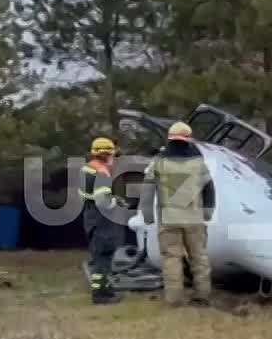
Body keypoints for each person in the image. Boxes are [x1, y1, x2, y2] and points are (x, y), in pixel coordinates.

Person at [142, 121, 215, 307]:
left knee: (171, 258)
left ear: (169, 139)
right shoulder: (199, 162)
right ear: (189, 139)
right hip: (194, 218)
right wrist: (208, 213)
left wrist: (147, 214)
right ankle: (202, 296)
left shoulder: (159, 161)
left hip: (168, 219)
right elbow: (209, 188)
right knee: (199, 257)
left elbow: (148, 189)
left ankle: (174, 299)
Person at [79, 136, 127, 304]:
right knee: (103, 258)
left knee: (99, 256)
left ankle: (104, 290)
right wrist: (116, 202)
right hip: (101, 220)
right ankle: (101, 294)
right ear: (108, 154)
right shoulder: (102, 172)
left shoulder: (88, 169)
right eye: (113, 155)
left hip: (91, 217)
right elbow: (103, 202)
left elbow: (91, 195)